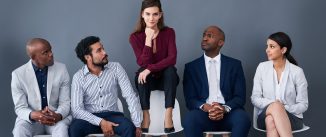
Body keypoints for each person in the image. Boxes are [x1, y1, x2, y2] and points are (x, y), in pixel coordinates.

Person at [182, 26, 251, 137]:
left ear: (220, 43)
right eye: (204, 35)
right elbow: (190, 100)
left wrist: (224, 108)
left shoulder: (235, 65)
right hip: (203, 113)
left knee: (243, 119)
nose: (204, 38)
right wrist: (206, 107)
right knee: (190, 120)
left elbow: (240, 97)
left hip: (229, 112)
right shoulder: (191, 67)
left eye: (210, 36)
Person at [69, 36, 143, 137]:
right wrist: (101, 122)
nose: (104, 52)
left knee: (129, 127)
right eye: (99, 51)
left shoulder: (116, 68)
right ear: (87, 57)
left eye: (103, 48)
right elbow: (76, 110)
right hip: (89, 119)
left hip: (114, 116)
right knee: (74, 128)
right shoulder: (78, 77)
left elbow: (129, 95)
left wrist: (137, 124)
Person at [129, 0, 179, 133]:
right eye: (148, 14)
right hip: (148, 81)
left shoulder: (169, 32)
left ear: (160, 15)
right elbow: (142, 63)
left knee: (170, 70)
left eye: (155, 14)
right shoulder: (135, 37)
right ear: (142, 15)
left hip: (167, 80)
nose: (151, 18)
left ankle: (168, 115)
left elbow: (172, 58)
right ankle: (146, 115)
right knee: (141, 72)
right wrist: (148, 39)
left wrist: (150, 68)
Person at [251, 32, 308, 137]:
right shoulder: (262, 67)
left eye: (272, 46)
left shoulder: (297, 72)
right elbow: (255, 98)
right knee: (272, 112)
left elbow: (303, 104)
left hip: (293, 118)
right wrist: (275, 105)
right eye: (267, 46)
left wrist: (284, 107)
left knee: (270, 120)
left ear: (283, 50)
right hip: (264, 115)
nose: (267, 50)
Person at [11, 38, 71, 137]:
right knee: (19, 131)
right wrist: (34, 115)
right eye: (45, 52)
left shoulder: (62, 69)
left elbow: (65, 102)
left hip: (55, 118)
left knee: (62, 131)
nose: (51, 54)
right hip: (32, 121)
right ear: (33, 57)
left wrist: (58, 115)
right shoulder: (18, 75)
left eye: (50, 50)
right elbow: (20, 107)